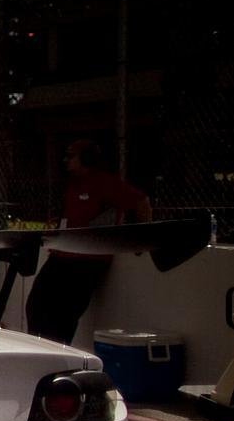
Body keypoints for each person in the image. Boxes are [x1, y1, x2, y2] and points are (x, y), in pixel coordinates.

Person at [25, 139, 152, 345]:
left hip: (87, 260)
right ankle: (39, 349)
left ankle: (58, 353)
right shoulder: (72, 185)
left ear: (87, 158)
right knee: (36, 305)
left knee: (64, 314)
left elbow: (141, 201)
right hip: (62, 255)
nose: (65, 160)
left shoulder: (104, 183)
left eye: (71, 156)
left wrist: (140, 240)